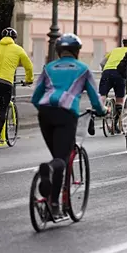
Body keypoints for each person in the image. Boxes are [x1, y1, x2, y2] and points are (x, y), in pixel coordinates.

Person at [31, 34, 106, 219]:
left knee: (58, 158)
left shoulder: (48, 68)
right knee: (61, 160)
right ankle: (55, 203)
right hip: (66, 114)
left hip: (45, 113)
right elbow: (95, 100)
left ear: (58, 51)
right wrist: (102, 111)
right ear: (77, 51)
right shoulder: (83, 69)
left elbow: (35, 98)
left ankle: (51, 200)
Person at [0, 27, 34, 146]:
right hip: (6, 83)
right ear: (14, 39)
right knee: (2, 110)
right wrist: (29, 80)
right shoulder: (18, 50)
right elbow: (29, 67)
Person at [99, 35, 127, 132]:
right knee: (120, 98)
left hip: (107, 72)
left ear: (123, 43)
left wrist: (106, 70)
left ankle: (95, 112)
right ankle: (116, 124)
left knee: (102, 95)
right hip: (120, 74)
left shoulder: (114, 50)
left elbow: (102, 63)